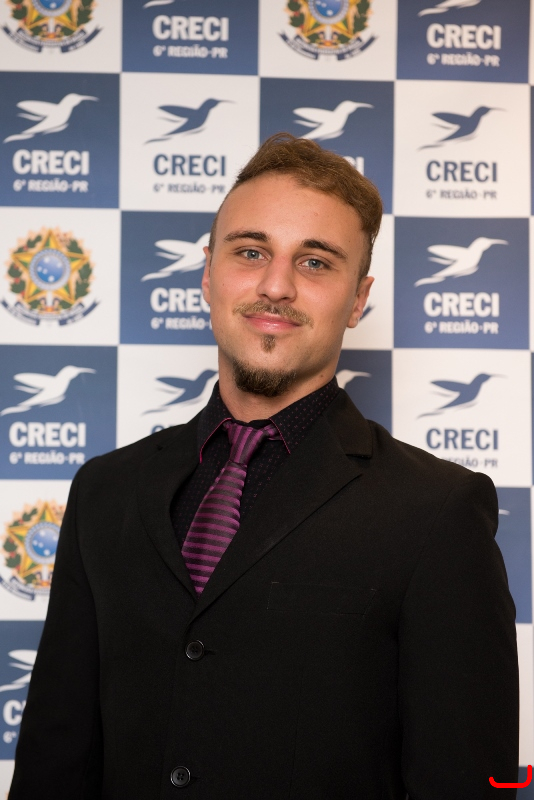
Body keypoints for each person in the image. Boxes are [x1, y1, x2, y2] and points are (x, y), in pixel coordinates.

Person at [9, 133, 518, 799]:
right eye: (250, 252)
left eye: (315, 262)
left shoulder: (437, 510)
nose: (276, 286)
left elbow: (467, 783)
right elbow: (54, 761)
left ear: (357, 299)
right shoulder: (105, 491)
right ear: (208, 273)